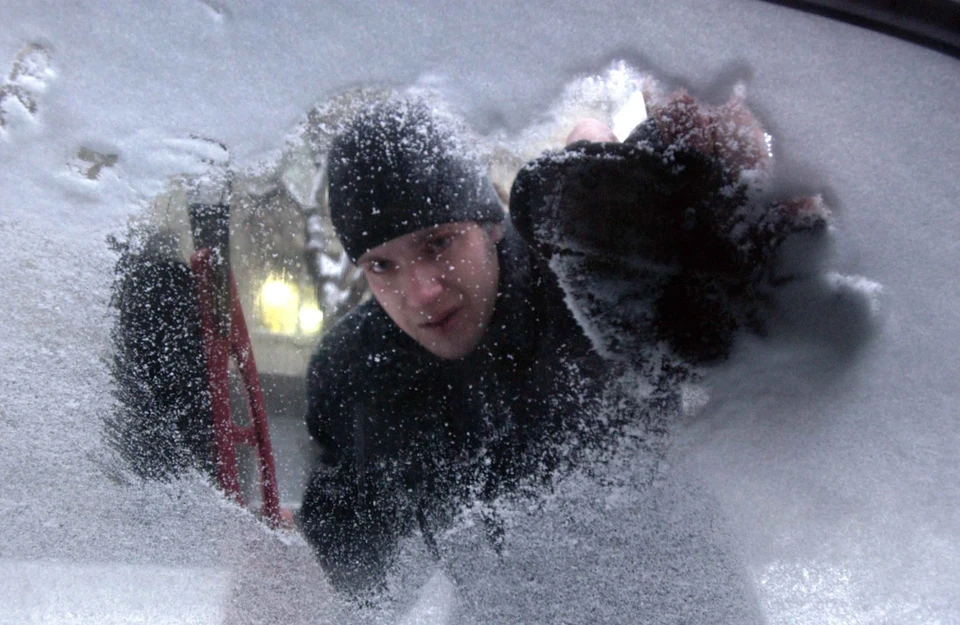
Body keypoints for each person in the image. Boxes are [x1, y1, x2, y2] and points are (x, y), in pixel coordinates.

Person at [299, 95, 830, 594]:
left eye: (438, 243)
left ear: (491, 226)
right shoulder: (356, 372)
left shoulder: (588, 285)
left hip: (685, 600)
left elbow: (756, 387)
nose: (421, 292)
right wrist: (297, 563)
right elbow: (360, 573)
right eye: (382, 266)